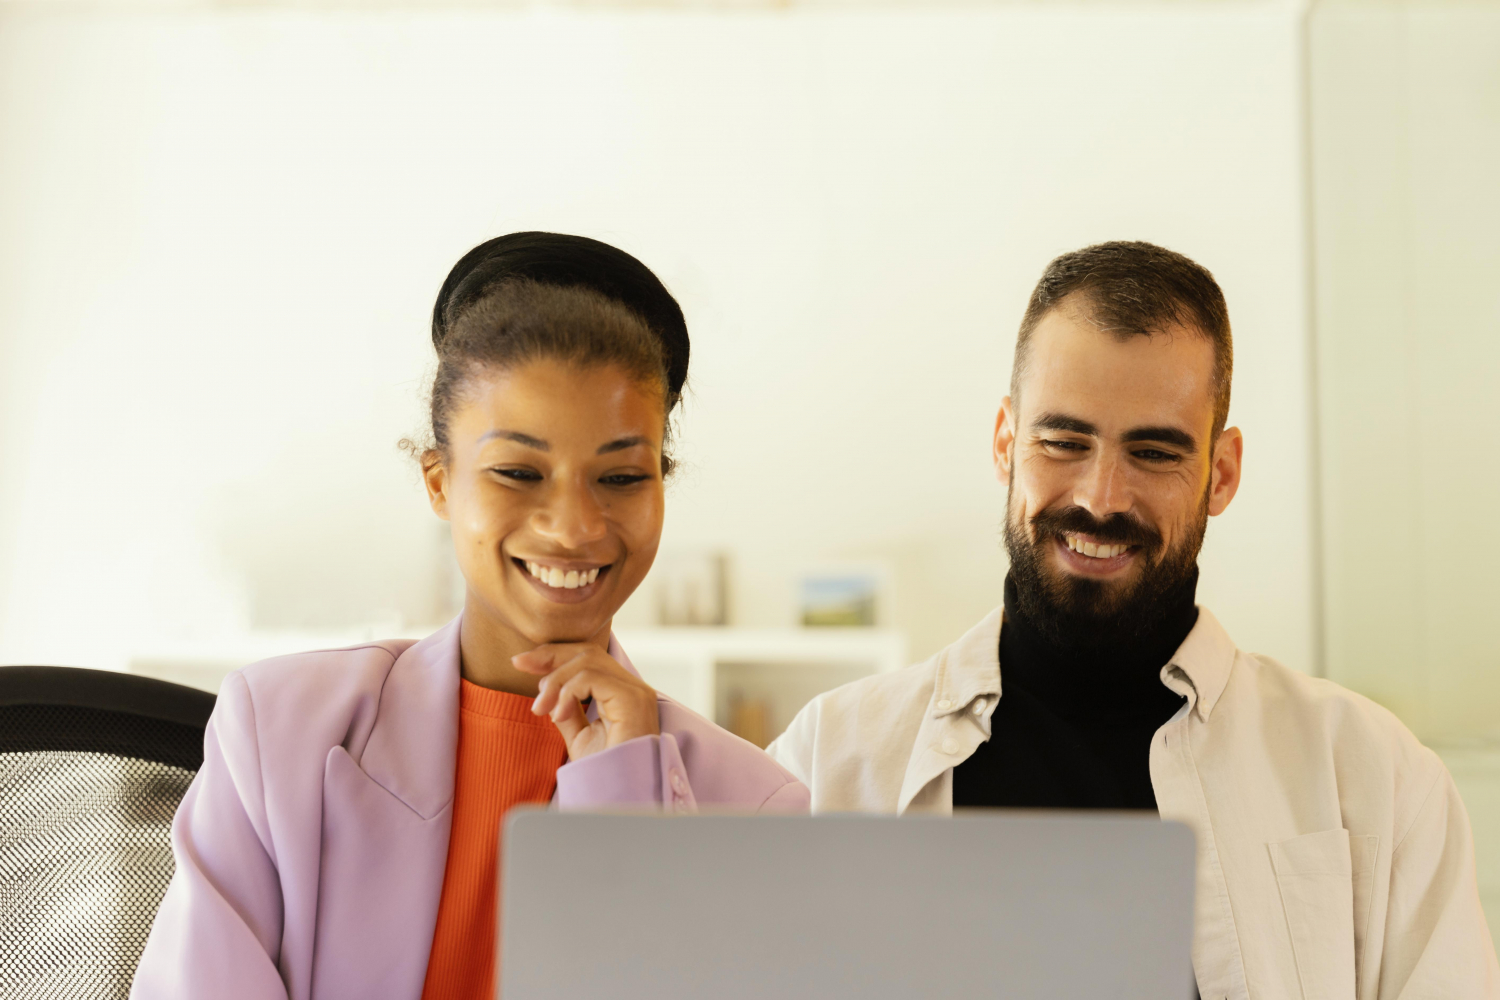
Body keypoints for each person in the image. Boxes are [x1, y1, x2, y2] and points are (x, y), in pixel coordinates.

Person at [767, 241, 1500, 998]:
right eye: (1064, 442)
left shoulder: (1375, 777)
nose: (1102, 497)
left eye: (1152, 453)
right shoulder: (827, 764)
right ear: (1005, 443)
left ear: (1221, 473)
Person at [132, 233, 808, 1000]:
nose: (573, 527)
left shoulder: (755, 807)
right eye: (518, 472)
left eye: (621, 477)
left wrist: (621, 803)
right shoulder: (278, 730)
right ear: (439, 483)